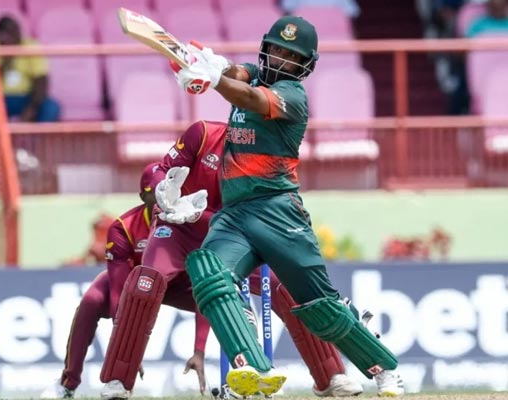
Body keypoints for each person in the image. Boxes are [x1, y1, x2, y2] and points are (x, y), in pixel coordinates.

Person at [167, 16, 405, 397]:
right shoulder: (252, 74)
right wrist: (201, 60)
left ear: (303, 66)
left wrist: (212, 81)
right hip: (234, 215)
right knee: (208, 273)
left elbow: (246, 97)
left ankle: (384, 368)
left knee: (319, 306)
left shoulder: (293, 97)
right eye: (275, 49)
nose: (279, 60)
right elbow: (234, 73)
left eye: (290, 57)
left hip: (279, 212)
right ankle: (254, 369)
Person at [100, 121, 363, 399]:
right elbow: (162, 170)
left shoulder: (269, 156)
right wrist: (167, 194)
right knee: (145, 283)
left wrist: (205, 216)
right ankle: (118, 380)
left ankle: (331, 376)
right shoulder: (202, 134)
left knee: (288, 287)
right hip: (177, 229)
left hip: (230, 235)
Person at [53, 163, 208, 398]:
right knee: (92, 299)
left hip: (177, 284)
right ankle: (68, 383)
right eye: (155, 193)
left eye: (167, 191)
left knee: (221, 295)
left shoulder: (189, 220)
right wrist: (126, 351)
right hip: (133, 286)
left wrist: (199, 351)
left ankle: (244, 373)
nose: (162, 200)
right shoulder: (123, 228)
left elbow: (205, 283)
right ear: (142, 196)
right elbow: (118, 292)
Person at [0, 15, 60, 123]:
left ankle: (35, 139)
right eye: (11, 34)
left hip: (27, 97)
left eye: (17, 32)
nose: (17, 37)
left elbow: (42, 81)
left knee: (51, 107)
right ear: (0, 35)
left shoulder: (31, 46)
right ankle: (2, 139)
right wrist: (5, 61)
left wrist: (32, 107)